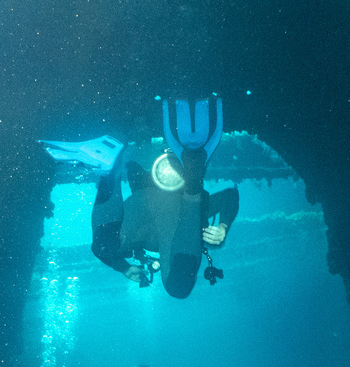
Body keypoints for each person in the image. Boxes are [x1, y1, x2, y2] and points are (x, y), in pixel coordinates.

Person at [42, 97, 240, 298]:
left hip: (144, 205)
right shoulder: (193, 217)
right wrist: (223, 226)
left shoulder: (152, 231)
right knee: (177, 287)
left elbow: (230, 196)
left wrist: (124, 267)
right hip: (171, 204)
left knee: (106, 244)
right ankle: (111, 174)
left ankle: (112, 169)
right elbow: (230, 197)